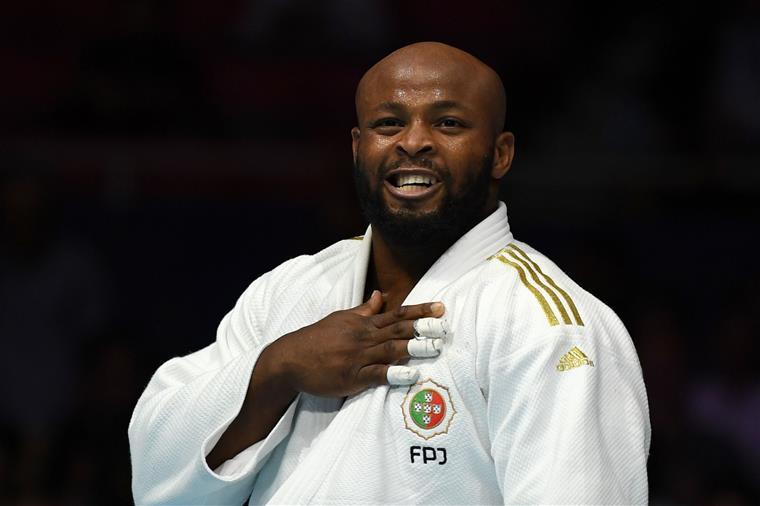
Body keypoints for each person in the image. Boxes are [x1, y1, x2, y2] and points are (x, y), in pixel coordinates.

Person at [129, 41, 650, 505]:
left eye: (448, 123)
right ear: (358, 148)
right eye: (388, 123)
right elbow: (155, 471)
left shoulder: (547, 325)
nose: (413, 142)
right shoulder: (290, 290)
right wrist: (278, 368)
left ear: (500, 154)